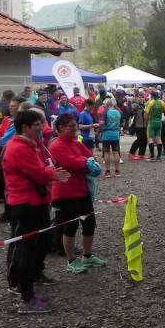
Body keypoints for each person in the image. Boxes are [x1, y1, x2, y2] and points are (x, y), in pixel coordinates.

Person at [3, 109, 70, 314]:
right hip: (25, 204)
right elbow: (39, 173)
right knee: (26, 250)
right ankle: (26, 297)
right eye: (38, 124)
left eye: (42, 123)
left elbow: (46, 167)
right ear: (25, 127)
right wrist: (52, 173)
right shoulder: (18, 148)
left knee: (39, 245)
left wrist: (51, 171)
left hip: (37, 202)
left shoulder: (33, 144)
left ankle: (32, 283)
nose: (42, 127)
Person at [50, 114, 105, 274]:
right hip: (65, 193)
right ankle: (71, 259)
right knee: (70, 226)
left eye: (76, 125)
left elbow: (91, 159)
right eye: (72, 126)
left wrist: (85, 162)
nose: (76, 129)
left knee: (89, 223)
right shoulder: (56, 146)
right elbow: (71, 163)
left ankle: (87, 256)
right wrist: (84, 162)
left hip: (82, 190)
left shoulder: (76, 143)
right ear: (60, 128)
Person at [144, 91, 165, 161]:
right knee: (158, 139)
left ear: (152, 96)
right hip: (159, 122)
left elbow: (146, 114)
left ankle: (152, 156)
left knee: (150, 139)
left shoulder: (150, 102)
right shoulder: (161, 102)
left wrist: (145, 123)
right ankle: (159, 157)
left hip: (151, 122)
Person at [99, 98, 122, 178]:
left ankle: (108, 171)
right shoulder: (118, 112)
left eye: (104, 105)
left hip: (106, 134)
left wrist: (99, 125)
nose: (103, 106)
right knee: (116, 152)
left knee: (106, 152)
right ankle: (117, 171)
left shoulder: (105, 112)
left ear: (107, 104)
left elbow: (102, 123)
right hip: (115, 134)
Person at [128, 94, 148, 160]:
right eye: (139, 97)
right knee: (139, 139)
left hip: (144, 125)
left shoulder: (142, 105)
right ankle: (131, 152)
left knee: (145, 139)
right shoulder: (135, 105)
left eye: (142, 97)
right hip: (138, 125)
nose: (140, 98)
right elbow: (130, 111)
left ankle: (141, 154)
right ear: (135, 98)